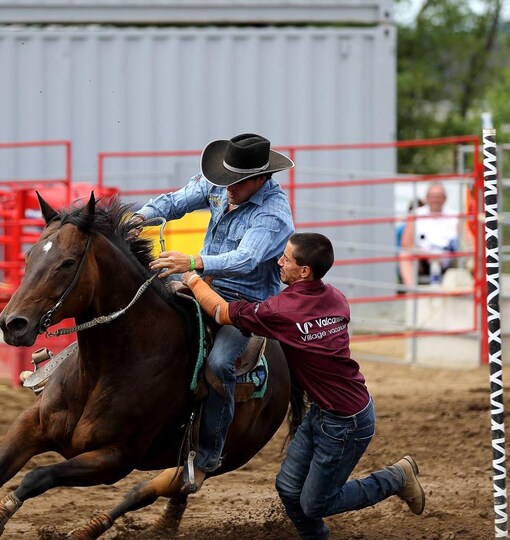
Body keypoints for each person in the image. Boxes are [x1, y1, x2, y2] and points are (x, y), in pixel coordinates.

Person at [179, 232, 424, 539]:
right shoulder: (335, 297)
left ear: (304, 271)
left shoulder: (282, 312)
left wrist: (192, 279)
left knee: (315, 503)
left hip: (344, 422)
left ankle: (395, 478)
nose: (278, 261)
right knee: (288, 487)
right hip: (336, 410)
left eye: (286, 258)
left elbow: (221, 312)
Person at [131, 133, 295, 492]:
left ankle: (207, 457)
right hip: (201, 283)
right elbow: (177, 201)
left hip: (245, 304)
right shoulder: (223, 183)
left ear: (260, 179)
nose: (226, 189)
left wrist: (192, 261)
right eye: (224, 181)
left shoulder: (273, 214)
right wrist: (140, 217)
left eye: (235, 184)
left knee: (220, 363)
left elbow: (247, 258)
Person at [398, 183, 458, 287]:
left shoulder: (456, 216)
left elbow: (465, 240)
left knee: (473, 255)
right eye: (432, 196)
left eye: (439, 197)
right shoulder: (416, 214)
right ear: (426, 198)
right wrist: (425, 254)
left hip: (449, 258)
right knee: (404, 255)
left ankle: (470, 292)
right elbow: (406, 244)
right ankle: (412, 292)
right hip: (423, 258)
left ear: (445, 199)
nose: (435, 200)